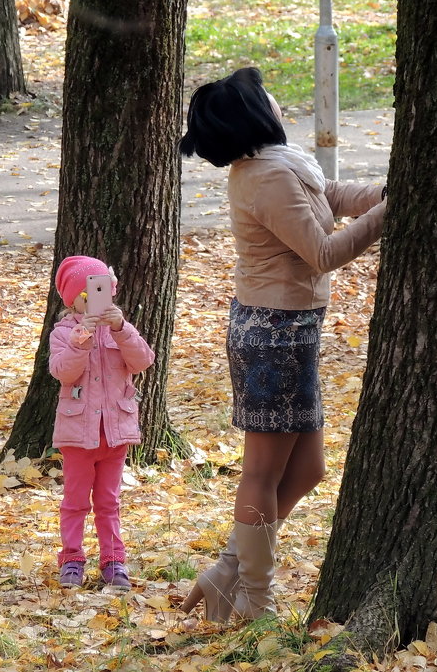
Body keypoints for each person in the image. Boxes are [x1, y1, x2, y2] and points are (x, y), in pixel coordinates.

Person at [178, 67, 387, 621]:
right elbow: (322, 251)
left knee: (307, 468)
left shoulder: (281, 164)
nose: (274, 97)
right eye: (265, 94)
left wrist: (390, 192)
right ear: (253, 112)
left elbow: (332, 196)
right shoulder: (265, 176)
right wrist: (392, 214)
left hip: (290, 329)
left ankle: (228, 570)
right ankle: (253, 601)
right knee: (262, 472)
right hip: (274, 332)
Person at [49, 255, 155, 590]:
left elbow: (142, 362)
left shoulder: (120, 328)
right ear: (75, 299)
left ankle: (114, 561)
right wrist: (81, 341)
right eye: (91, 294)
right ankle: (72, 560)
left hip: (115, 431)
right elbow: (63, 372)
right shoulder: (64, 332)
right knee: (75, 500)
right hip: (77, 433)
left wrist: (121, 329)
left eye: (105, 291)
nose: (99, 299)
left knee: (109, 501)